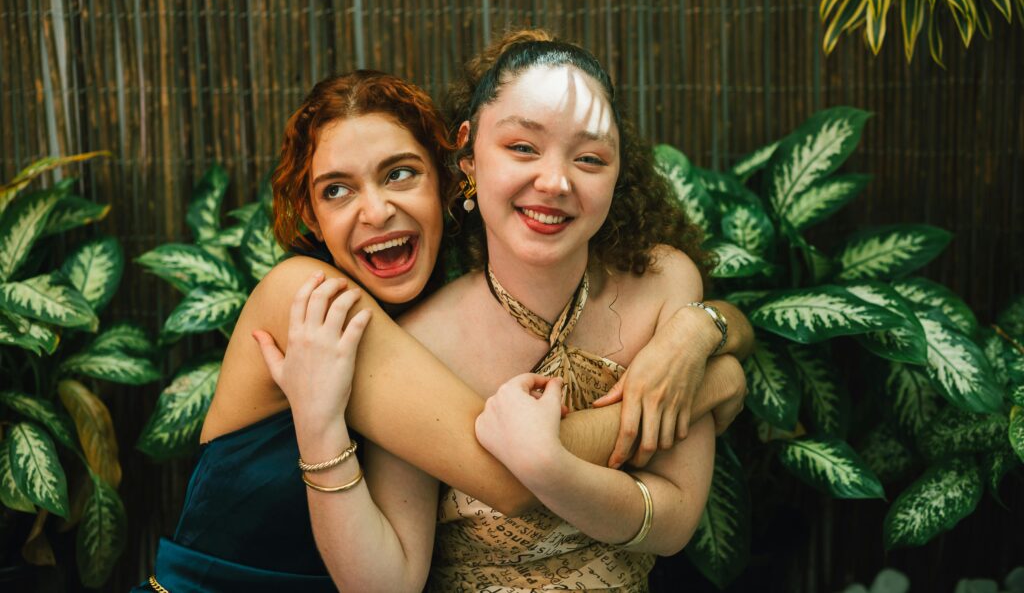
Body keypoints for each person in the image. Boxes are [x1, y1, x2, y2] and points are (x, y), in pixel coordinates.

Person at [140, 64, 749, 591]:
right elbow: (506, 477)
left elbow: (715, 312)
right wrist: (705, 389)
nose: (376, 211)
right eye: (337, 190)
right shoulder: (310, 298)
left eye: (400, 173)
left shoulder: (449, 296)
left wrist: (702, 333)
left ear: (449, 178)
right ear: (310, 213)